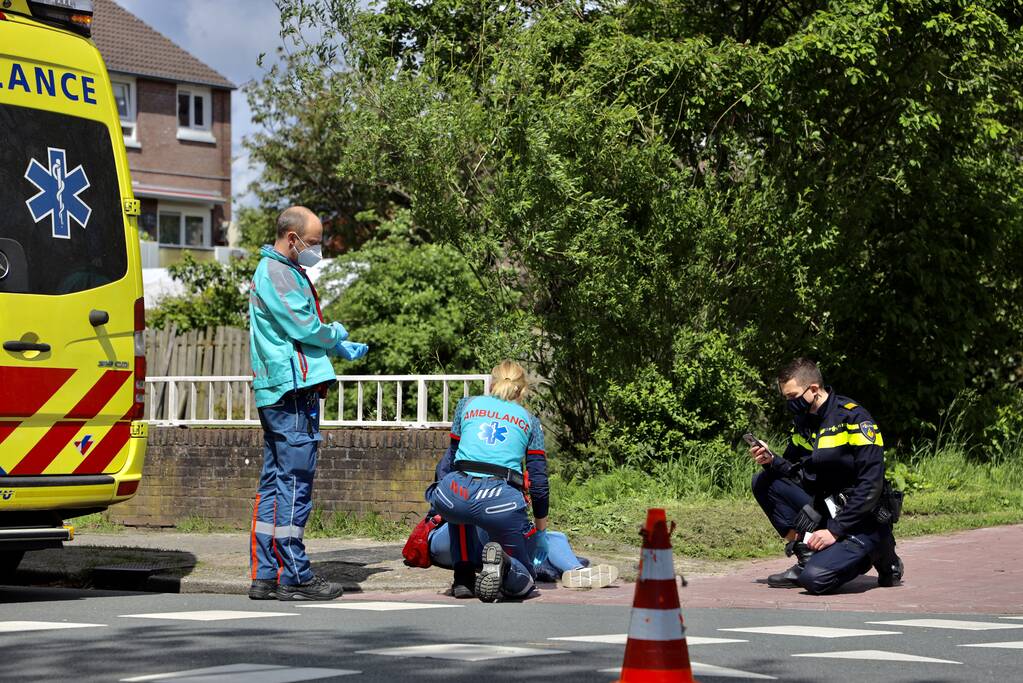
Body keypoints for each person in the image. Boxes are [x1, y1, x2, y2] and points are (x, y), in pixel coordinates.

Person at [247, 206, 368, 601]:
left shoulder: (279, 270)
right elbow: (303, 326)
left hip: (279, 390)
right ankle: (295, 575)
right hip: (293, 391)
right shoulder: (280, 272)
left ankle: (266, 575)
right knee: (295, 483)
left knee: (275, 482)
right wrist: (333, 334)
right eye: (314, 243)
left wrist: (331, 343)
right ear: (292, 238)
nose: (318, 250)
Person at [749, 358, 903, 595]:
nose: (789, 403)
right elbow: (795, 470)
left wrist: (835, 531)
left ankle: (881, 552)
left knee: (815, 580)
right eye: (786, 398)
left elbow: (871, 484)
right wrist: (772, 461)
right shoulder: (804, 423)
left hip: (860, 516)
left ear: (812, 389)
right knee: (764, 481)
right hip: (826, 506)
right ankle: (808, 554)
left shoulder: (854, 419)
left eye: (792, 396)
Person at [426, 360, 548, 602]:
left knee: (459, 501)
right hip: (499, 500)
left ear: (491, 384)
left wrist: (437, 507)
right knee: (525, 581)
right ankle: (506, 565)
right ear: (522, 390)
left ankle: (463, 579)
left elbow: (449, 461)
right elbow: (539, 481)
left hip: (452, 494)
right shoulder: (530, 421)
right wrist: (541, 531)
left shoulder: (466, 405)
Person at [427, 521, 619, 590]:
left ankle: (572, 569)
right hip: (455, 536)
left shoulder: (461, 454)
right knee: (551, 537)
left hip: (441, 548)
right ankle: (574, 568)